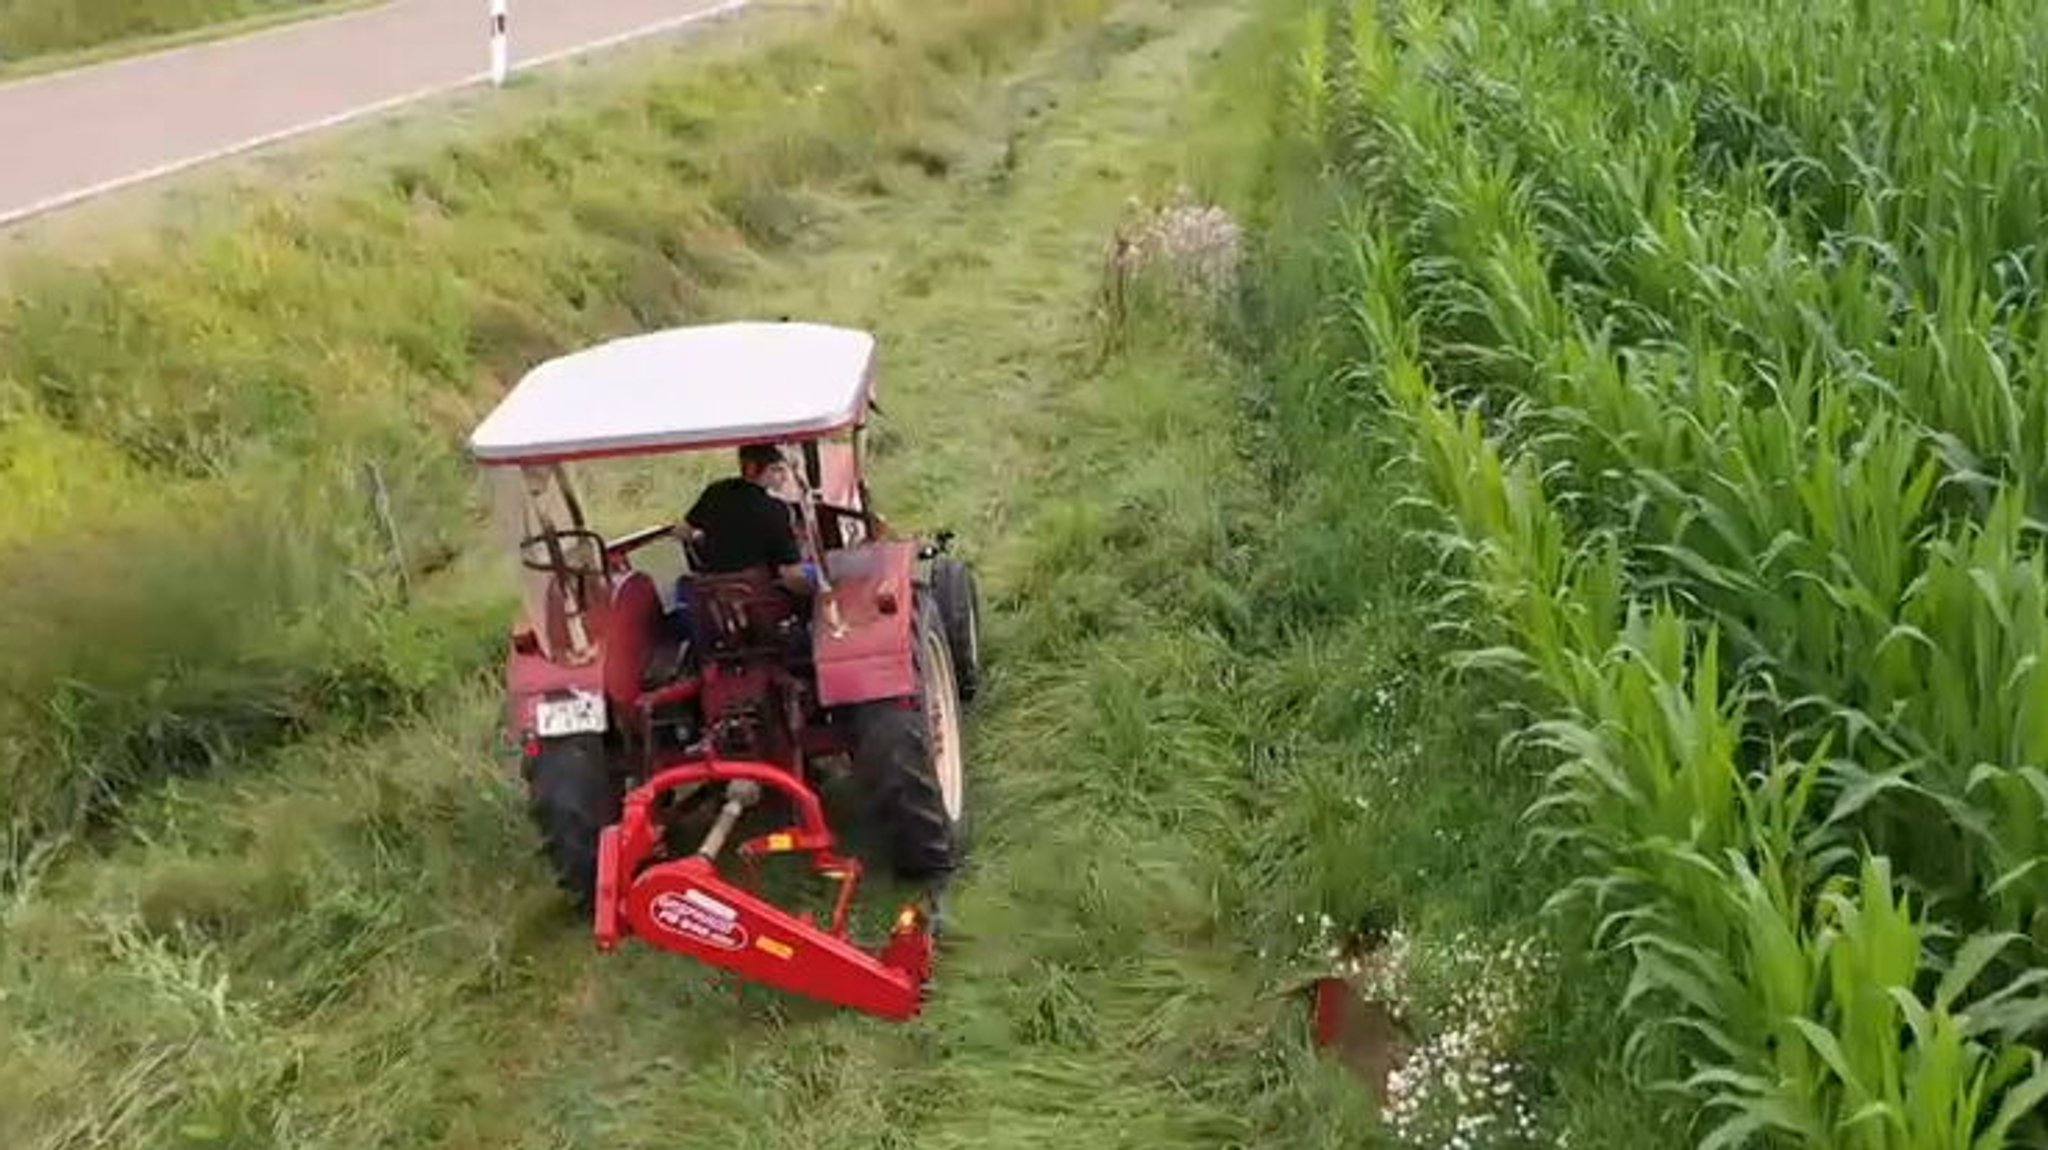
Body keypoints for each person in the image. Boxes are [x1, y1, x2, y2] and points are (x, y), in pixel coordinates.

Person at [680, 443, 818, 597]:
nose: (785, 477)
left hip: (714, 590)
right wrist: (818, 594)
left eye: (785, 470)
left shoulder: (716, 491)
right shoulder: (777, 510)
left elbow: (682, 530)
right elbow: (791, 574)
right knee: (823, 572)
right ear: (752, 468)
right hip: (760, 595)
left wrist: (699, 538)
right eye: (776, 469)